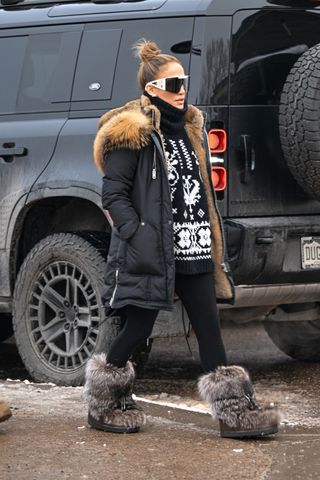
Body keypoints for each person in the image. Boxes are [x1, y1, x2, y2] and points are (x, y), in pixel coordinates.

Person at [84, 39, 280, 438]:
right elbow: (113, 194)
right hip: (153, 250)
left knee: (209, 327)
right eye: (173, 84)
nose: (182, 89)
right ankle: (103, 402)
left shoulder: (190, 129)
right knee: (138, 329)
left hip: (194, 246)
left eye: (183, 81)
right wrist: (138, 234)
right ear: (151, 90)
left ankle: (234, 415)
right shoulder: (132, 132)